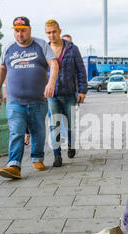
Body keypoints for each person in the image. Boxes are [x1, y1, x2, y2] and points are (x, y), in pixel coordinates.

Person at [0, 16, 59, 179]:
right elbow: (2, 68)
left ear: (29, 30)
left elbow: (53, 63)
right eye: (17, 31)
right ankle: (13, 165)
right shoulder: (8, 48)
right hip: (15, 101)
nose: (19, 34)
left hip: (38, 100)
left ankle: (37, 157)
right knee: (16, 132)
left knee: (38, 131)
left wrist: (51, 82)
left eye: (23, 31)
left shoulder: (40, 45)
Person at [44, 20, 88, 167]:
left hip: (70, 94)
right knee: (54, 125)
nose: (51, 35)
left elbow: (81, 70)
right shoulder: (44, 49)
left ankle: (71, 144)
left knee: (71, 125)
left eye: (54, 32)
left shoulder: (72, 49)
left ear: (59, 31)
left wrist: (82, 90)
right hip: (52, 95)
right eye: (48, 33)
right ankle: (57, 156)